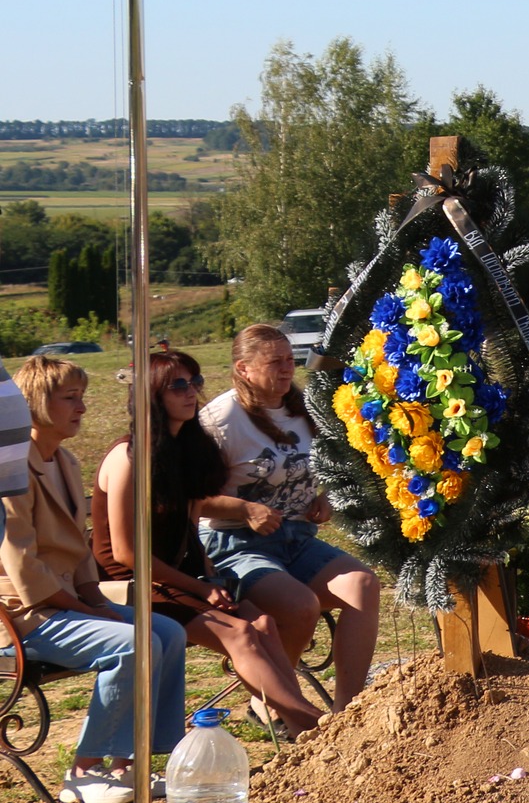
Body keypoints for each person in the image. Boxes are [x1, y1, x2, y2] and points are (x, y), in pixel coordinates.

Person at [95, 351, 325, 737]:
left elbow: (188, 530)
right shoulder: (127, 456)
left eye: (195, 382)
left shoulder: (185, 451)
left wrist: (211, 578)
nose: (191, 392)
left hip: (179, 575)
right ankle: (314, 724)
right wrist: (201, 588)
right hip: (133, 583)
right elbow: (125, 553)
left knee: (263, 623)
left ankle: (293, 722)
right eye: (177, 385)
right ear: (151, 395)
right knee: (240, 633)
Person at [2, 356, 187, 803]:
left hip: (64, 604)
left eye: (82, 396)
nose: (82, 407)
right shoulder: (11, 468)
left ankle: (131, 765)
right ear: (34, 403)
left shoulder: (64, 460)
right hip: (24, 616)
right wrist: (88, 609)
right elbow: (21, 564)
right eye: (71, 398)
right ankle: (84, 772)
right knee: (133, 643)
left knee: (168, 632)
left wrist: (96, 601)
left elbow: (79, 551)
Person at [197, 324, 381, 710]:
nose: (286, 369)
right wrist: (245, 509)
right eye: (274, 362)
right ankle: (274, 705)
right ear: (243, 368)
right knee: (299, 606)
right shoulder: (220, 419)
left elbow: (334, 465)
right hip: (234, 544)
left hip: (296, 538)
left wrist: (326, 497)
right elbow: (190, 499)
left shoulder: (303, 408)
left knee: (363, 584)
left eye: (289, 360)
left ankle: (347, 712)